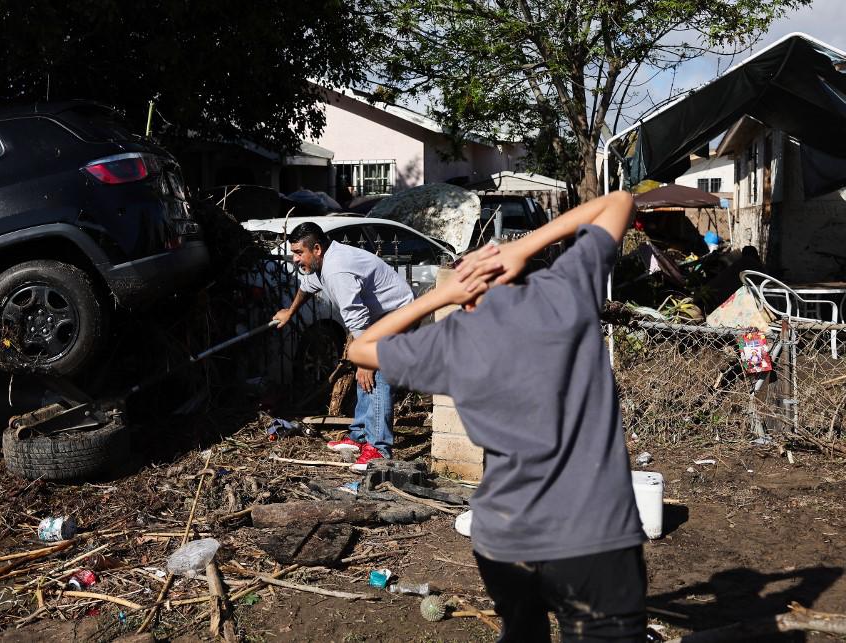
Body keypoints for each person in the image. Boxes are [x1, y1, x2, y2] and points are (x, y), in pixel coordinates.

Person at [347, 191, 647, 642]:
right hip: (595, 537)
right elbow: (620, 201)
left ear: (467, 297)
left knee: (522, 633)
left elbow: (360, 347)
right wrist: (523, 246)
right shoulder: (564, 292)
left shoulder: (450, 342)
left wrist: (437, 295)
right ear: (513, 272)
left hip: (506, 541)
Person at [273, 222, 414, 471]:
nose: (295, 259)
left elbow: (356, 317)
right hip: (378, 318)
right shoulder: (322, 262)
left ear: (316, 248)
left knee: (377, 375)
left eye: (298, 253)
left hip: (398, 314)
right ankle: (360, 436)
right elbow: (307, 287)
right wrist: (289, 311)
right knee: (363, 374)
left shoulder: (337, 269)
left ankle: (379, 450)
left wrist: (367, 360)